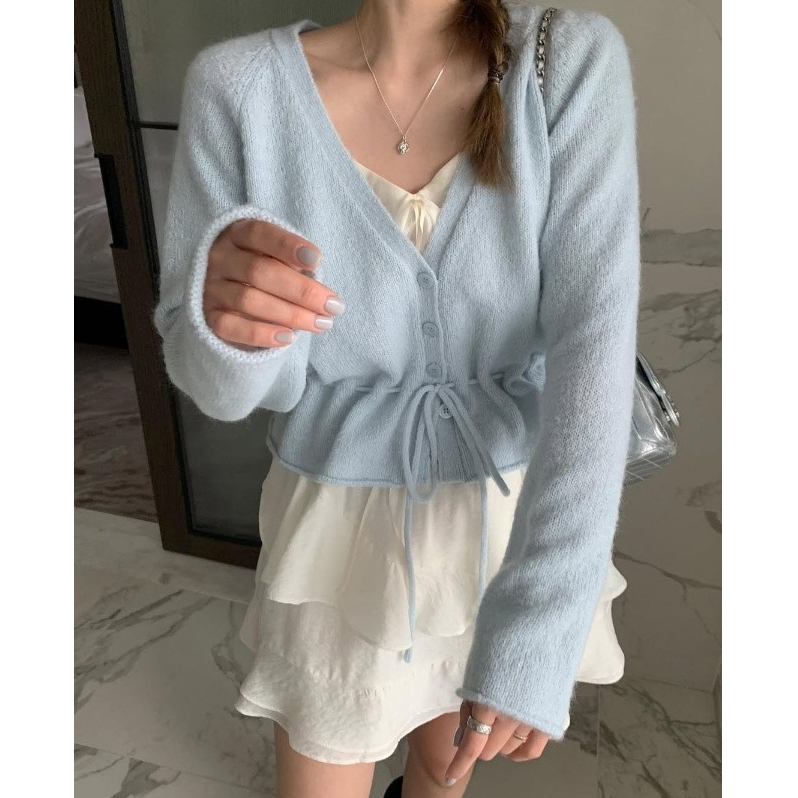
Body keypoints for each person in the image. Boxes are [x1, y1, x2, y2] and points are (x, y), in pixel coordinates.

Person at [153, 2, 641, 796]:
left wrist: (540, 628)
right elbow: (227, 393)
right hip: (335, 534)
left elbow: (595, 357)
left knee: (441, 777)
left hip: (505, 524)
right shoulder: (239, 86)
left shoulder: (564, 61)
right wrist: (234, 329)